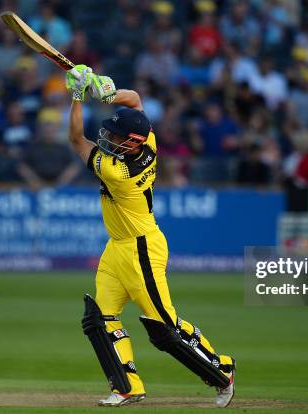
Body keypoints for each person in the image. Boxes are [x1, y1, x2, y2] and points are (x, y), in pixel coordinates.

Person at [64, 65, 235, 407]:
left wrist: (78, 95)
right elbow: (137, 100)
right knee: (100, 317)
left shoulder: (118, 171)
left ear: (129, 144)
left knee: (164, 327)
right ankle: (127, 387)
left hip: (142, 247)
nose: (107, 139)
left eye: (114, 137)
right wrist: (105, 93)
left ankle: (222, 371)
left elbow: (75, 140)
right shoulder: (149, 141)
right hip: (118, 247)